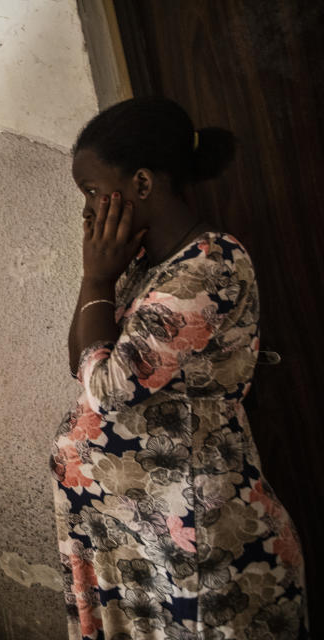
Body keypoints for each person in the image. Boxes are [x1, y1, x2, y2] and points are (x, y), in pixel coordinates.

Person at [53, 97, 307, 639]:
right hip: (135, 536)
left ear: (142, 184)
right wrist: (97, 277)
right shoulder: (146, 268)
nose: (88, 211)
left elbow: (108, 388)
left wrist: (97, 280)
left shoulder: (210, 267)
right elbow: (79, 357)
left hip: (195, 543)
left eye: (94, 192)